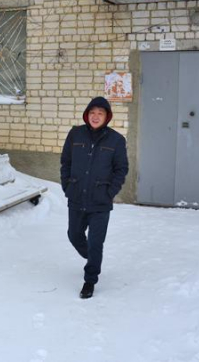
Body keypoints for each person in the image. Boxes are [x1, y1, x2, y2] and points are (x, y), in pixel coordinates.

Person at [60, 96, 129, 299]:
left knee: (95, 242)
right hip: (76, 197)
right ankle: (92, 258)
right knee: (74, 235)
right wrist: (67, 185)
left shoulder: (116, 140)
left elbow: (121, 169)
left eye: (100, 113)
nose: (95, 116)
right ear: (86, 115)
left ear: (107, 117)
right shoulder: (75, 134)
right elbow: (66, 161)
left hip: (100, 201)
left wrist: (110, 192)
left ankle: (90, 280)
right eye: (92, 112)